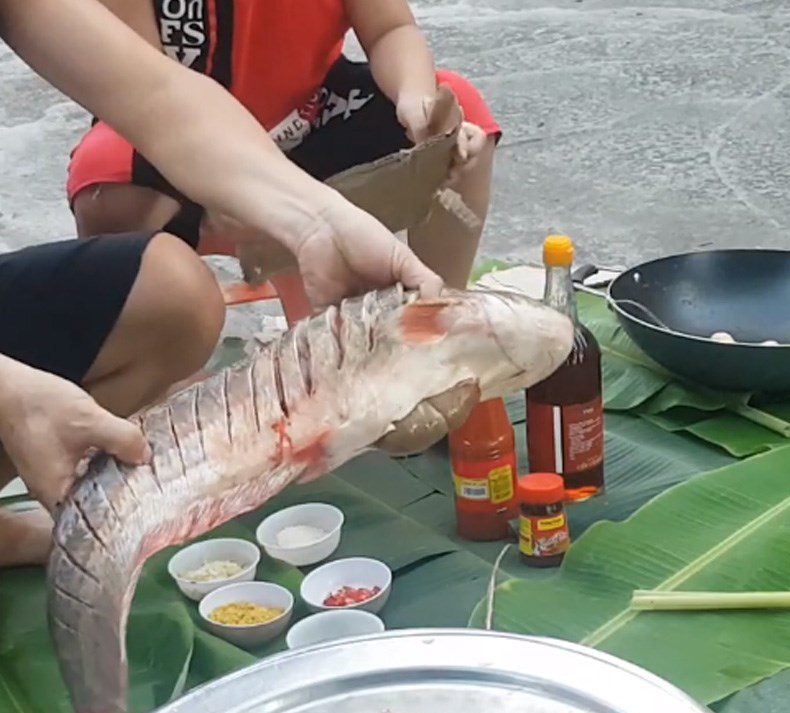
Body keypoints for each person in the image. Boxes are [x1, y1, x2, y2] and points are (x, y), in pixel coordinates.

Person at [0, 0, 445, 567]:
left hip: (303, 118)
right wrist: (9, 391)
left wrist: (319, 222)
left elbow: (157, 93)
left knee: (173, 295)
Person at [67, 0, 502, 289]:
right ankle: (154, 352)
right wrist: (231, 183)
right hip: (182, 140)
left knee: (460, 121)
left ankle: (439, 312)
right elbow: (136, 88)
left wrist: (416, 100)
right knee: (105, 183)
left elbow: (390, 28)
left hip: (307, 119)